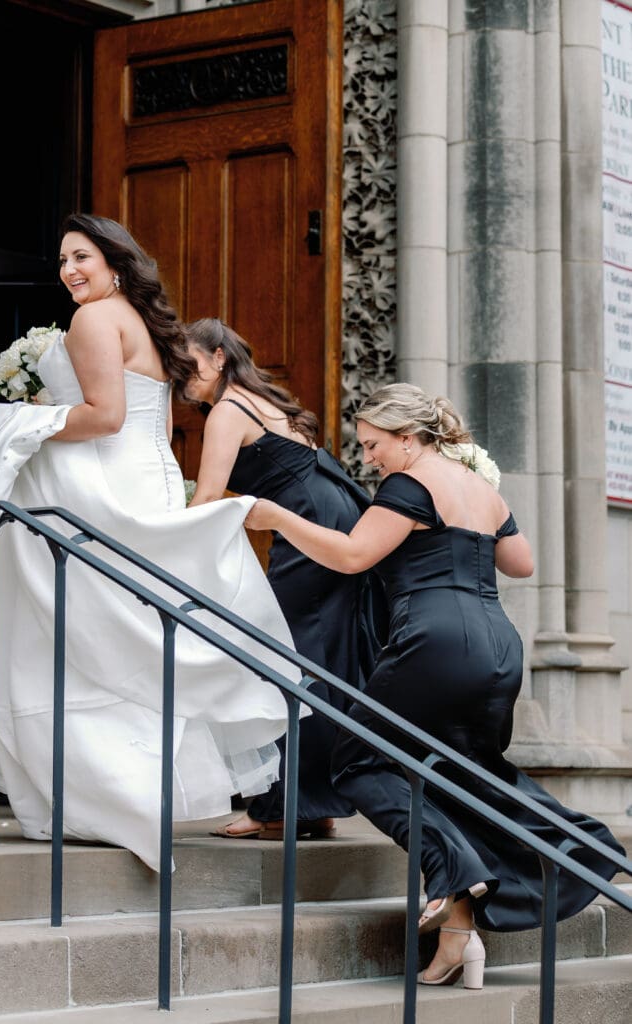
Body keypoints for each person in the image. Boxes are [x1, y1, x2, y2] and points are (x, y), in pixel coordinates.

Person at [0, 214, 302, 872]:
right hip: (144, 478)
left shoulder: (93, 320)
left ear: (115, 261)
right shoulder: (143, 320)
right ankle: (122, 797)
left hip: (100, 485)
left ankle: (95, 799)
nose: (69, 270)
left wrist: (18, 420)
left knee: (78, 638)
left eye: (81, 256)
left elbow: (103, 417)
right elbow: (151, 424)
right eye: (61, 260)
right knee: (118, 638)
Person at [244, 382, 626, 989]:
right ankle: (464, 930)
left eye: (374, 446)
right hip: (498, 645)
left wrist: (275, 517)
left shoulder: (409, 484)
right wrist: (473, 514)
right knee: (461, 771)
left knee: (359, 764)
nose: (369, 459)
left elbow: (350, 556)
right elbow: (520, 564)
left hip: (435, 641)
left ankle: (452, 876)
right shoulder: (480, 488)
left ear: (408, 437)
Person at [183, 318, 386, 840]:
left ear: (219, 357)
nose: (183, 375)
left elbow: (206, 499)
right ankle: (313, 801)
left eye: (190, 363)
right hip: (331, 515)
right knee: (320, 656)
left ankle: (281, 806)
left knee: (290, 658)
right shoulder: (260, 398)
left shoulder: (228, 410)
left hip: (306, 526)